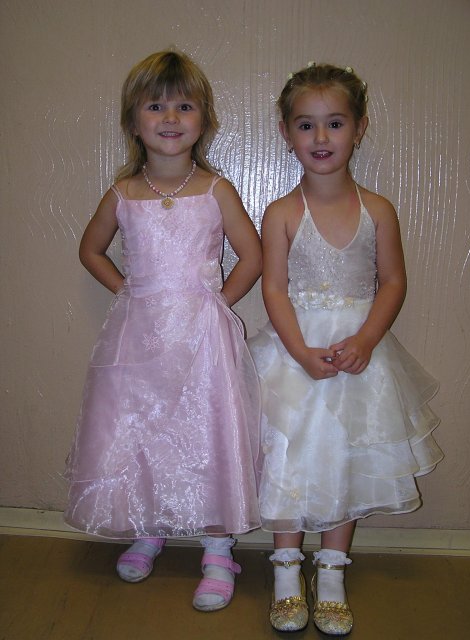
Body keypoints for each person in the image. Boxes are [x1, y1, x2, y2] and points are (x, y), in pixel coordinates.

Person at [64, 50, 263, 612]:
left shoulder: (217, 189)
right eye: (155, 106)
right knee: (141, 429)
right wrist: (128, 291)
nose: (170, 117)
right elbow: (90, 249)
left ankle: (218, 550)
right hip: (140, 337)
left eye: (184, 106)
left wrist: (216, 304)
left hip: (202, 340)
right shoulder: (123, 193)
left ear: (204, 120)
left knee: (207, 431)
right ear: (133, 121)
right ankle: (147, 527)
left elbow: (251, 256)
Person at [248, 62, 443, 634]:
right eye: (305, 124)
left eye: (335, 123)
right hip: (295, 356)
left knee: (347, 459)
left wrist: (365, 339)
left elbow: (393, 282)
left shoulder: (378, 210)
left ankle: (331, 571)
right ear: (286, 133)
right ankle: (287, 570)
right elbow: (274, 288)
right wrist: (299, 351)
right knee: (289, 455)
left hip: (361, 357)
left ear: (359, 128)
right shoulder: (282, 213)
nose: (321, 136)